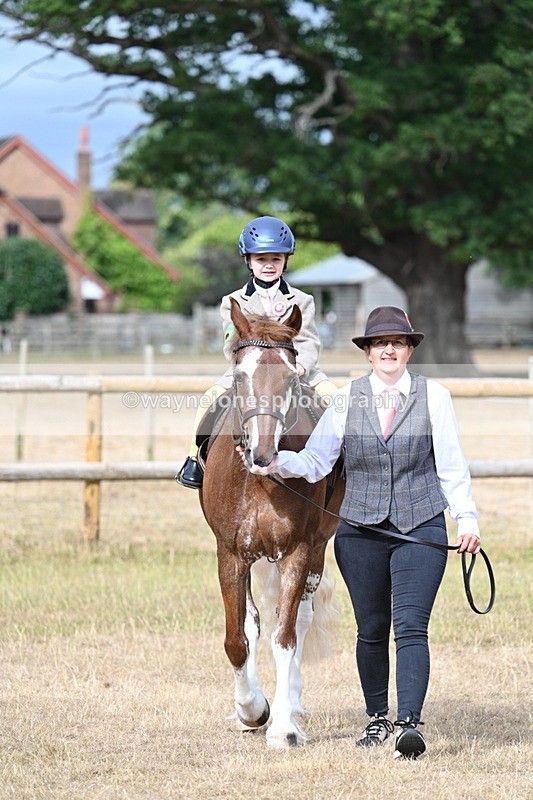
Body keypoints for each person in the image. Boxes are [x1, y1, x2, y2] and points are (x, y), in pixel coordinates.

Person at [237, 305, 481, 759]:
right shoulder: (348, 399)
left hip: (420, 525)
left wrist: (466, 520)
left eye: (398, 343)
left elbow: (451, 466)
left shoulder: (435, 398)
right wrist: (276, 463)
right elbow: (318, 461)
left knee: (410, 627)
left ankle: (408, 724)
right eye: (380, 343)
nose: (389, 349)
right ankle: (377, 719)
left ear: (409, 350)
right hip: (361, 529)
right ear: (368, 352)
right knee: (371, 628)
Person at [176, 215, 337, 488]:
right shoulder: (233, 301)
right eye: (261, 259)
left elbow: (308, 342)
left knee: (335, 399)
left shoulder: (302, 300)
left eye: (276, 259)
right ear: (248, 261)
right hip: (248, 372)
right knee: (208, 399)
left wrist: (299, 368)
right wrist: (250, 366)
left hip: (295, 371)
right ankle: (195, 460)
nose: (268, 265)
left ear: (286, 260)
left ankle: (345, 465)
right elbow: (231, 344)